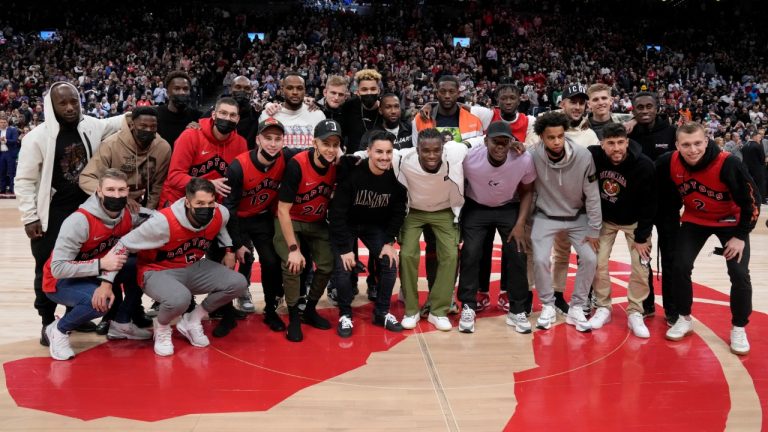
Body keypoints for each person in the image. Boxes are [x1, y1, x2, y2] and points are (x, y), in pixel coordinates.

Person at [16, 81, 125, 346]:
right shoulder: (36, 137)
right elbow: (24, 181)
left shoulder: (89, 125)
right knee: (47, 269)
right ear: (51, 106)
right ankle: (46, 321)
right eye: (62, 103)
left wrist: (156, 112)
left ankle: (73, 313)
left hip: (85, 211)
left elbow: (117, 122)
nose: (69, 107)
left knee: (80, 263)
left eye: (74, 101)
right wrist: (30, 217)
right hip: (52, 213)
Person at [105, 177, 248, 356]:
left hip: (192, 265)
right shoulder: (163, 221)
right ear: (188, 202)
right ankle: (162, 327)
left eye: (210, 203)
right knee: (180, 298)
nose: (206, 208)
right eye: (200, 203)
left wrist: (229, 250)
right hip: (157, 269)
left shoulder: (220, 213)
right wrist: (106, 282)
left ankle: (192, 320)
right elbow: (123, 244)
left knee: (238, 283)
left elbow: (222, 226)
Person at [657, 123, 760, 356]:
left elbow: (752, 202)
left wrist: (740, 236)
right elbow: (645, 175)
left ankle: (739, 327)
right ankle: (683, 317)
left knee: (739, 273)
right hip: (695, 220)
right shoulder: (669, 161)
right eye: (686, 144)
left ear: (707, 141)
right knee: (679, 265)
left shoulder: (728, 163)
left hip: (730, 221)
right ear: (677, 145)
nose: (692, 149)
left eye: (697, 143)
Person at [43, 169, 151, 360]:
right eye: (110, 190)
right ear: (99, 191)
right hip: (59, 281)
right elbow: (57, 268)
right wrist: (101, 264)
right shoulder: (79, 221)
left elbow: (160, 218)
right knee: (100, 303)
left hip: (96, 272)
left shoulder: (128, 213)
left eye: (121, 190)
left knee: (144, 268)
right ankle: (58, 330)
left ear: (128, 192)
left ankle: (121, 324)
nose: (116, 195)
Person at [222, 117, 303, 330]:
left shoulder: (286, 157)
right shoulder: (239, 166)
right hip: (236, 219)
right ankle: (226, 313)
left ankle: (269, 310)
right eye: (268, 138)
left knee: (271, 262)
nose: (273, 143)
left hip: (261, 217)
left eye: (278, 139)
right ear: (258, 139)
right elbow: (228, 208)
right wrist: (236, 243)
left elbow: (314, 152)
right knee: (230, 263)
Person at [457, 121, 535, 334]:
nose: (500, 146)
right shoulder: (469, 159)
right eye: (495, 142)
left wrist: (520, 224)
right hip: (477, 206)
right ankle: (468, 305)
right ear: (485, 142)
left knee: (518, 251)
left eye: (505, 142)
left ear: (512, 142)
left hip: (507, 206)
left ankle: (517, 309)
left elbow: (528, 191)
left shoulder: (523, 158)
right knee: (471, 252)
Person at [328, 130, 407, 337]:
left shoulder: (397, 175)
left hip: (374, 226)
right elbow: (336, 213)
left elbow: (399, 211)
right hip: (347, 224)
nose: (384, 157)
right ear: (368, 152)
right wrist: (345, 249)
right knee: (344, 267)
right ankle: (345, 313)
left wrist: (390, 241)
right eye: (379, 151)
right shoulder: (353, 172)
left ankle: (382, 311)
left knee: (390, 262)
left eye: (388, 152)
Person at [397, 128, 476, 331]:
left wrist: (515, 144)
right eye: (426, 151)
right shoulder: (404, 158)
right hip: (413, 212)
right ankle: (411, 310)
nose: (432, 156)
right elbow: (375, 152)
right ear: (417, 149)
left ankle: (438, 311)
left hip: (444, 211)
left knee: (450, 255)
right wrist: (354, 156)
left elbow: (480, 141)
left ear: (443, 149)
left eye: (436, 150)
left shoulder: (455, 151)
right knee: (407, 254)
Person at [529, 112, 601, 332]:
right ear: (541, 137)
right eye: (551, 137)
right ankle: (548, 305)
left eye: (560, 136)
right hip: (544, 215)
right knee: (540, 260)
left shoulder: (583, 156)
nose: (557, 141)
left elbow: (592, 194)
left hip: (578, 217)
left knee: (589, 258)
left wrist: (595, 228)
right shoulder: (531, 155)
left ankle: (577, 306)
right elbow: (527, 189)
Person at [274, 119, 344, 342]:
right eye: (326, 143)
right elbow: (283, 210)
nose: (331, 149)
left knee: (327, 264)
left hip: (316, 221)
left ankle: (310, 310)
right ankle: (294, 316)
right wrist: (294, 248)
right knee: (292, 264)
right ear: (315, 142)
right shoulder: (297, 164)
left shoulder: (338, 166)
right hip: (291, 218)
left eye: (335, 144)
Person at [587, 123, 655, 338]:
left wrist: (643, 236)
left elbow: (650, 204)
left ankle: (635, 310)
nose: (616, 148)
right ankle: (603, 307)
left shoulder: (644, 165)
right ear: (602, 144)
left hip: (635, 222)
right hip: (606, 220)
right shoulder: (593, 156)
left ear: (627, 142)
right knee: (597, 262)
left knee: (640, 267)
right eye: (611, 143)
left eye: (620, 143)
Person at [629, 91, 678, 323]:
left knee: (670, 259)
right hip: (640, 208)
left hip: (668, 206)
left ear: (657, 108)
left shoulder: (672, 133)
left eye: (650, 106)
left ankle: (672, 308)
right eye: (640, 107)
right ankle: (647, 305)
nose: (645, 111)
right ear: (633, 110)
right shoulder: (629, 133)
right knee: (642, 260)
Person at [158, 97, 247, 208]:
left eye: (232, 115)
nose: (227, 118)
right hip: (179, 200)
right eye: (223, 113)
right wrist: (207, 185)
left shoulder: (241, 144)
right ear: (214, 115)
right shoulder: (190, 136)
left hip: (212, 205)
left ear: (238, 119)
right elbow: (175, 176)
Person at [80, 106, 171, 210]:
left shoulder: (163, 148)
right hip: (112, 204)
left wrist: (147, 212)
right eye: (143, 126)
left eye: (153, 126)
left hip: (142, 205)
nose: (149, 130)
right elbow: (86, 178)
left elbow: (158, 186)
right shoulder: (111, 144)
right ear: (132, 125)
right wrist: (117, 195)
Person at [259, 72, 326, 149]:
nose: (295, 92)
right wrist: (265, 103)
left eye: (299, 88)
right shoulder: (268, 114)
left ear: (305, 90)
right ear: (282, 89)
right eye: (290, 88)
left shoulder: (318, 115)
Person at [156, 71, 202, 148]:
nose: (182, 92)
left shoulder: (199, 117)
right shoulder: (156, 115)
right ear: (167, 93)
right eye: (177, 89)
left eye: (186, 89)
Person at [741, 130, 766, 202]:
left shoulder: (745, 146)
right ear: (754, 137)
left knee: (749, 185)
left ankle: (750, 199)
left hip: (747, 169)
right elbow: (762, 158)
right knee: (760, 184)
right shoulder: (758, 146)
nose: (760, 139)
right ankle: (761, 200)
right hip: (758, 169)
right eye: (759, 138)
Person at [0, 116, 20, 197]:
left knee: (12, 173)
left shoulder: (13, 130)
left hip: (10, 154)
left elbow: (15, 140)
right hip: (1, 154)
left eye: (4, 122)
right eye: (1, 122)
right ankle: (2, 189)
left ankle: (12, 190)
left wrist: (6, 141)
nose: (2, 124)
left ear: (7, 123)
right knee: (2, 173)